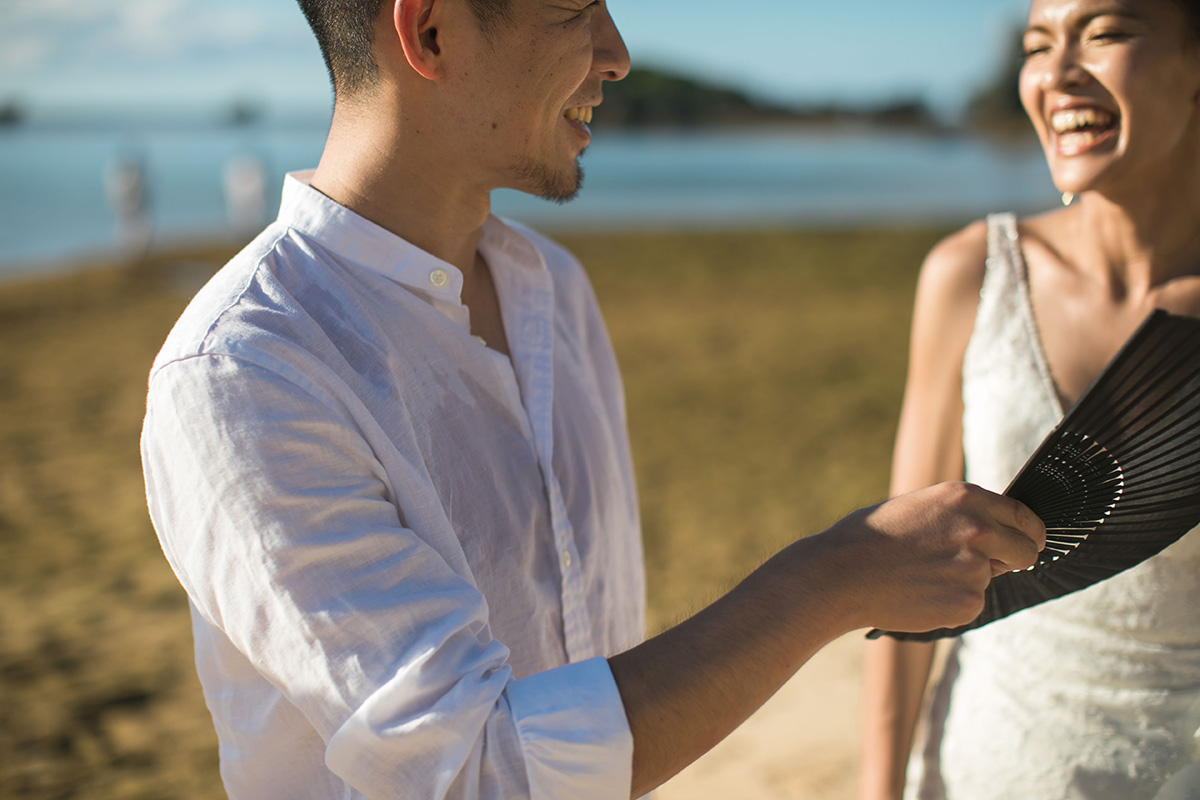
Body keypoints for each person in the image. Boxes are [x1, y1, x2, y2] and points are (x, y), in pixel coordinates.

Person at [140, 1, 1046, 798]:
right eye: (576, 8)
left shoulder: (553, 292)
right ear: (430, 30)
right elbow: (479, 773)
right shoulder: (248, 371)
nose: (615, 52)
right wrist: (829, 579)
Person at [857, 1, 1200, 798]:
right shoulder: (969, 275)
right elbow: (901, 576)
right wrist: (879, 788)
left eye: (1107, 33)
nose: (1056, 74)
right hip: (990, 761)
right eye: (1038, 45)